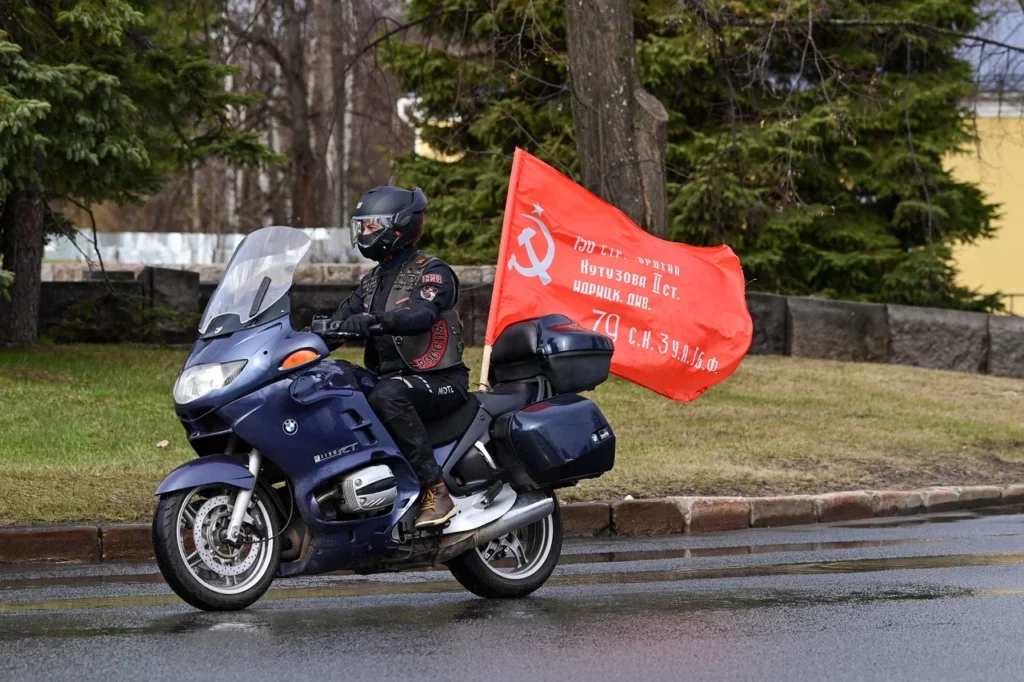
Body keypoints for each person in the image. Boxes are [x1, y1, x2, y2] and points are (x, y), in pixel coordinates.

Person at [328, 186, 467, 529]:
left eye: (373, 226)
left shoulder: (432, 272)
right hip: (391, 378)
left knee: (387, 395)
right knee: (332, 383)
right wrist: (299, 338)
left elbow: (421, 315)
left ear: (400, 226)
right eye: (362, 226)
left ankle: (436, 490)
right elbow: (339, 322)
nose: (364, 233)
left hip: (439, 381)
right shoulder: (371, 282)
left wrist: (374, 322)